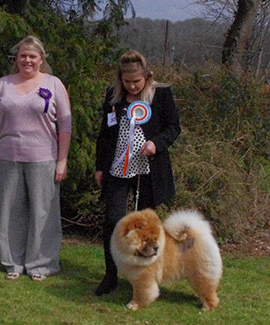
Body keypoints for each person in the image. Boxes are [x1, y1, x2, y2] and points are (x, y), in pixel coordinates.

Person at [93, 50, 181, 295]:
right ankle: (111, 275)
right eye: (126, 81)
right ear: (120, 78)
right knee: (113, 221)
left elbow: (174, 127)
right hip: (117, 169)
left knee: (147, 226)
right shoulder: (113, 96)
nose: (131, 86)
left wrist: (156, 143)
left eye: (136, 81)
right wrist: (100, 166)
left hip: (148, 170)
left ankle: (145, 278)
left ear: (147, 77)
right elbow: (104, 134)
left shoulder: (161, 94)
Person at [0, 36, 72, 281]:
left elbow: (65, 124)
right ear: (16, 59)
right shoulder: (3, 84)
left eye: (32, 56)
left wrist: (62, 160)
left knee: (43, 213)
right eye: (23, 56)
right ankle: (13, 262)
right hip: (8, 157)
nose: (27, 60)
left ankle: (41, 264)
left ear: (41, 59)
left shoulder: (54, 84)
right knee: (10, 211)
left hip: (44, 158)